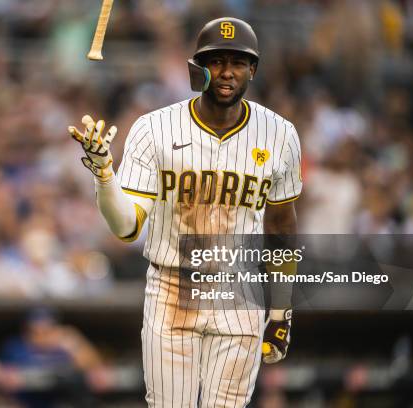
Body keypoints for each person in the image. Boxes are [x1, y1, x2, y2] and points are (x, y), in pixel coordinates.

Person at [68, 17, 302, 407]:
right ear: (197, 68)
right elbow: (127, 228)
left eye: (238, 62)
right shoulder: (154, 128)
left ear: (253, 69)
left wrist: (281, 310)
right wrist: (105, 176)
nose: (227, 71)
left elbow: (281, 225)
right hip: (172, 286)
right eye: (216, 60)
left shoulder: (280, 134)